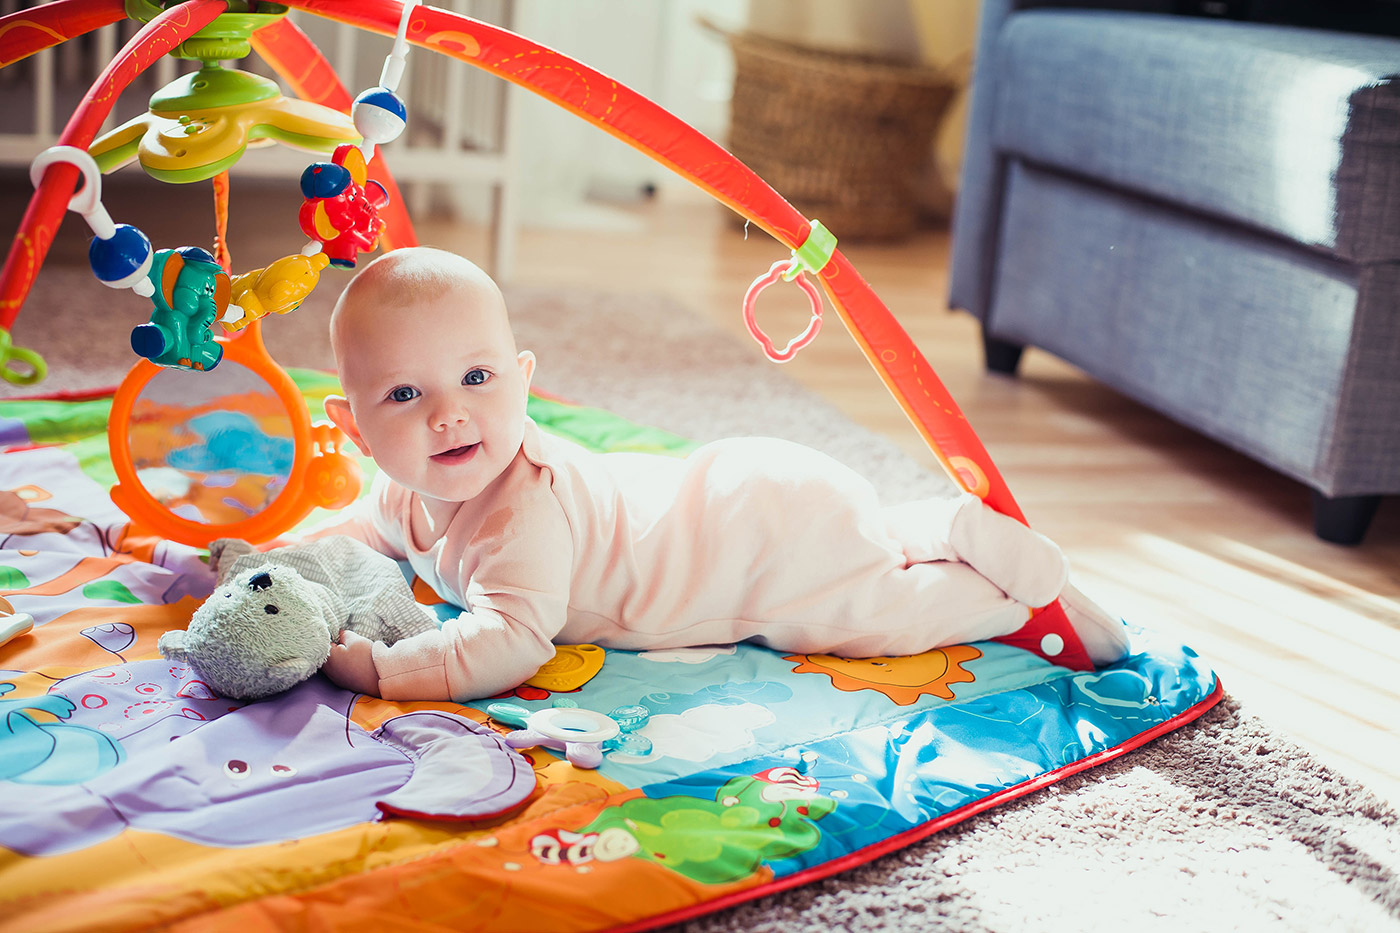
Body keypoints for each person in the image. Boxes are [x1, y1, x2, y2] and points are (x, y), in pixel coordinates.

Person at [310, 246, 1128, 701]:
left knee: (876, 615)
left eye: (478, 380)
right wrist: (283, 565)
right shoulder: (402, 491)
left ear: (524, 379)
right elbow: (361, 529)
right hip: (743, 485)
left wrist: (384, 671)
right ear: (353, 426)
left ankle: (1010, 598)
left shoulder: (522, 512)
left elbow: (510, 642)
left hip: (750, 556)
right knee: (866, 533)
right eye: (406, 393)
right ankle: (935, 524)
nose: (449, 415)